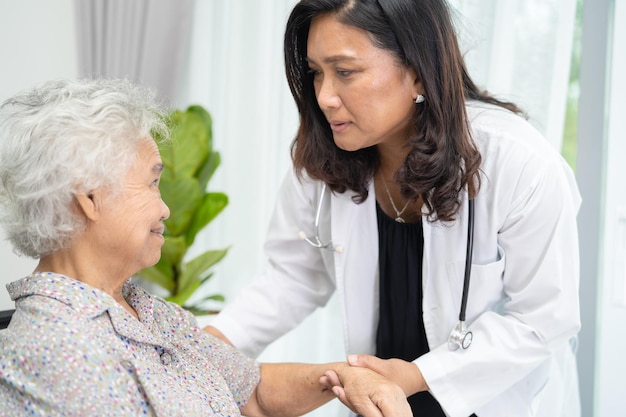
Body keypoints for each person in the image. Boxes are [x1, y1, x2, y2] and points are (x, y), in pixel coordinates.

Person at [205, 0, 582, 416]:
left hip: (494, 400)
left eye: (345, 72)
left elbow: (542, 318)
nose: (325, 96)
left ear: (419, 71)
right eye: (316, 73)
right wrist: (206, 343)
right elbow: (293, 276)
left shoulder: (518, 162)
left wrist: (419, 376)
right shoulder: (326, 159)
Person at [0, 78, 412, 417]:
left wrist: (342, 376)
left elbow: (252, 392)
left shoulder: (145, 311)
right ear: (89, 199)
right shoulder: (59, 350)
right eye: (151, 183)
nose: (164, 208)